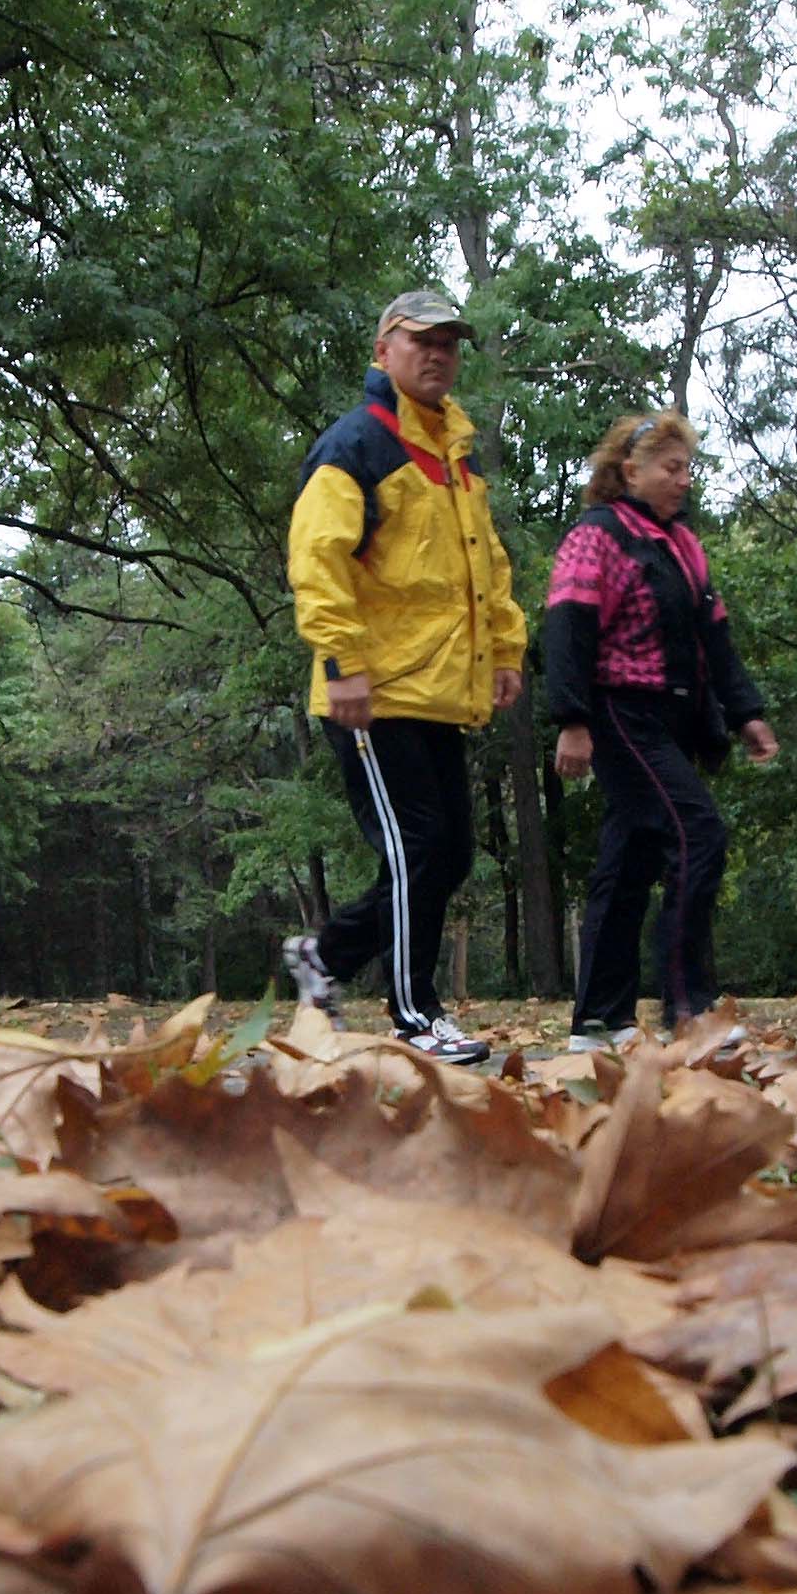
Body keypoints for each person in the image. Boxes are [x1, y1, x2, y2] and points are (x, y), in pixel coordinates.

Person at [276, 289, 527, 1067]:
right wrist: (341, 664)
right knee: (420, 848)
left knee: (448, 856)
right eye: (421, 340)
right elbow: (317, 561)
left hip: (437, 693)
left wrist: (506, 653)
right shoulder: (356, 445)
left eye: (449, 342)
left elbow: (487, 566)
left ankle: (324, 957)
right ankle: (417, 1018)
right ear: (384, 350)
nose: (438, 354)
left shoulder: (458, 455)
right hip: (370, 696)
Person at [535, 411, 777, 1050]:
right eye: (671, 467)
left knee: (629, 861)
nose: (684, 480)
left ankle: (599, 1020)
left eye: (688, 467)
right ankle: (687, 1008)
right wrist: (572, 721)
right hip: (620, 713)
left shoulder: (682, 545)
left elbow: (713, 639)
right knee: (696, 832)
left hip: (671, 719)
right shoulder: (598, 537)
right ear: (628, 470)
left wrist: (744, 712)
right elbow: (567, 629)